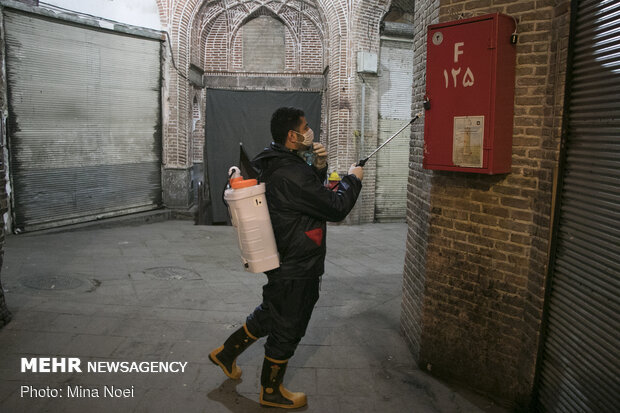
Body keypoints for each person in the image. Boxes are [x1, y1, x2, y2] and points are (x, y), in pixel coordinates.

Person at [209, 107, 363, 409]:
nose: (309, 132)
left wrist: (319, 165)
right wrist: (353, 179)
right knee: (288, 325)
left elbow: (304, 194)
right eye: (305, 127)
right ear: (293, 135)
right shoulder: (290, 172)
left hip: (281, 255)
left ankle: (226, 354)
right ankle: (271, 391)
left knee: (272, 312)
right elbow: (335, 206)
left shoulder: (271, 159)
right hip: (297, 261)